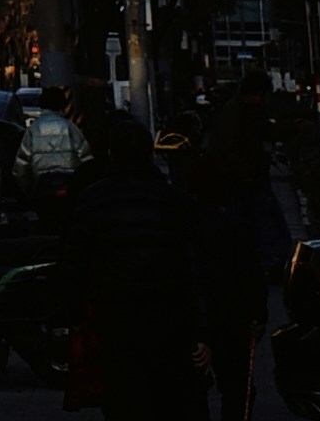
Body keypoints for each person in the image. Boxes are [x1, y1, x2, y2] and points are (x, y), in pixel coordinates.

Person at [57, 102, 196, 421]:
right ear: (150, 154)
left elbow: (75, 261)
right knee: (163, 393)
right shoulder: (173, 200)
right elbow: (190, 263)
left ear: (110, 154)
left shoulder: (94, 198)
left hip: (113, 310)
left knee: (121, 392)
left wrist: (74, 313)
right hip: (166, 311)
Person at [176, 115, 290, 421]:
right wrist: (257, 315)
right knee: (238, 388)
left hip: (193, 318)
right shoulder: (233, 226)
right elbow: (250, 273)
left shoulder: (181, 224)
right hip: (231, 317)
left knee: (194, 390)